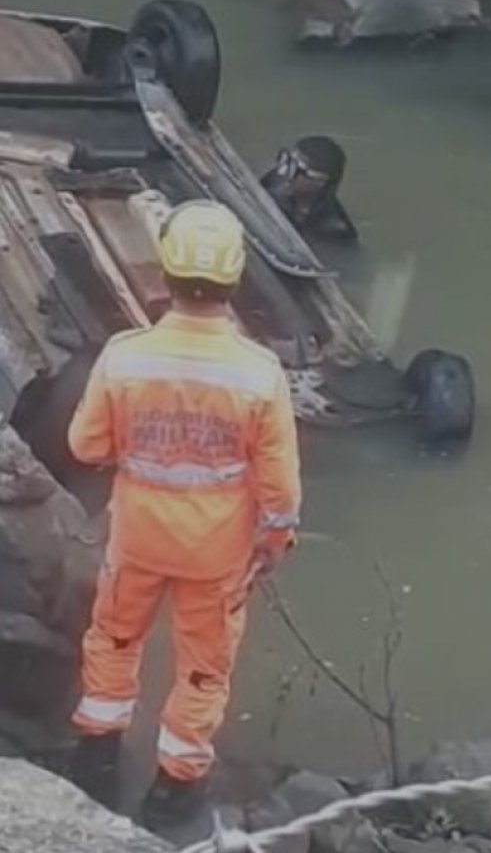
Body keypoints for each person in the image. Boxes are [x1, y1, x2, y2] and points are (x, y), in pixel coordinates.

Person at [67, 200, 302, 827]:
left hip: (138, 536)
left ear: (164, 274)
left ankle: (95, 758)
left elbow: (85, 446)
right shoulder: (260, 373)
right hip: (217, 550)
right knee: (204, 666)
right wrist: (274, 543)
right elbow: (280, 487)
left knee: (115, 638)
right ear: (235, 279)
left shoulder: (125, 355)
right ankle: (175, 787)